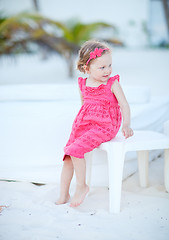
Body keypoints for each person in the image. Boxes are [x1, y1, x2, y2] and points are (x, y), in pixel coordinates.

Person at [56, 40, 133, 207]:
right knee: (69, 154)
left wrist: (126, 124)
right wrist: (79, 126)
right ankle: (63, 194)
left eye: (109, 65)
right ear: (86, 68)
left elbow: (124, 104)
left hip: (105, 125)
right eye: (102, 67)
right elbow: (84, 105)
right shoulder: (83, 84)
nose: (108, 70)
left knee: (76, 150)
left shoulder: (112, 83)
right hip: (84, 124)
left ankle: (82, 186)